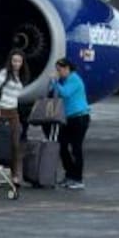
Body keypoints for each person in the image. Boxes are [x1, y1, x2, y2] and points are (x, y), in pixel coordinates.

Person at [0, 49, 28, 186]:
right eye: (14, 61)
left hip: (14, 112)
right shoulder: (5, 73)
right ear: (10, 61)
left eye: (19, 61)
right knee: (0, 144)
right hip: (3, 111)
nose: (16, 64)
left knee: (15, 144)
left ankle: (15, 175)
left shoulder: (21, 76)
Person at [49, 58, 90, 189]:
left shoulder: (74, 79)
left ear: (67, 68)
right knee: (62, 146)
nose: (58, 72)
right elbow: (53, 92)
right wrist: (53, 83)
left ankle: (78, 178)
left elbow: (65, 93)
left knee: (76, 148)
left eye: (59, 70)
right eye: (57, 70)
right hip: (69, 118)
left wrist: (55, 81)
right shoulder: (65, 80)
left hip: (79, 117)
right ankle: (70, 175)